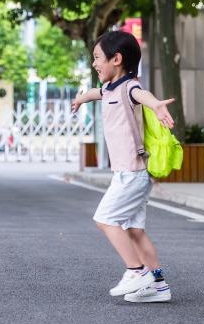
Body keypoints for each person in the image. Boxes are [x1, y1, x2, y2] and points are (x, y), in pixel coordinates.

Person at [72, 31, 175, 303]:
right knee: (135, 232)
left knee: (105, 219)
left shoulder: (130, 87)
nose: (94, 63)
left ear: (116, 59)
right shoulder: (109, 89)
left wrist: (157, 106)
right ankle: (159, 287)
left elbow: (144, 96)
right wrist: (82, 98)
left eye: (97, 58)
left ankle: (136, 271)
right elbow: (98, 93)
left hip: (132, 174)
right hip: (128, 173)